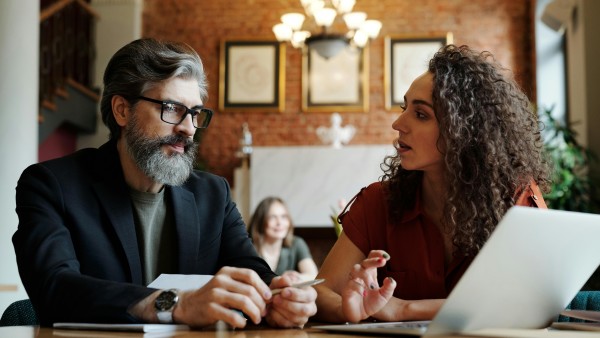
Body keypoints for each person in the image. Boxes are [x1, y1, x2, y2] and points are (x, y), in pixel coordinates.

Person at [13, 38, 316, 329]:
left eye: (196, 113)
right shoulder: (51, 186)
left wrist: (281, 296)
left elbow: (252, 272)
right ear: (122, 110)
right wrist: (174, 305)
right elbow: (54, 287)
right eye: (172, 108)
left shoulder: (213, 194)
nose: (188, 128)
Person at [313, 44, 551, 324]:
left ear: (463, 131)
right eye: (404, 108)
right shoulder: (377, 202)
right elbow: (321, 292)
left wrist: (403, 310)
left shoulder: (518, 199)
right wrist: (352, 308)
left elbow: (533, 303)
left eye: (421, 114)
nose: (398, 124)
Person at [247, 197, 318, 281]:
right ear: (260, 221)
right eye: (272, 217)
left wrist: (295, 278)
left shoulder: (297, 243)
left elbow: (314, 275)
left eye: (284, 217)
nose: (279, 222)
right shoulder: (247, 247)